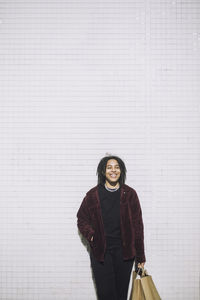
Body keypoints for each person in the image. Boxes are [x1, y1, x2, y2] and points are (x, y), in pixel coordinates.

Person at [77, 155, 146, 300]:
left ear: (121, 171)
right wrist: (92, 236)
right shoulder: (92, 195)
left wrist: (140, 256)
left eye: (117, 167)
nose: (113, 170)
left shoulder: (130, 195)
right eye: (109, 167)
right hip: (101, 253)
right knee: (106, 295)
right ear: (103, 171)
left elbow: (138, 226)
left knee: (121, 295)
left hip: (125, 254)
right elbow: (82, 219)